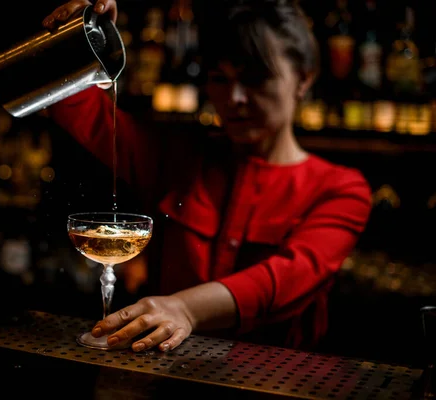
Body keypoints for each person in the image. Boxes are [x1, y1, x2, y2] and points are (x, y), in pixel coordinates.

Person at [41, 0, 372, 353]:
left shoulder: (341, 190)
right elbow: (78, 110)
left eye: (256, 79)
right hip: (167, 373)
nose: (235, 98)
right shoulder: (178, 158)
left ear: (304, 78)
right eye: (220, 80)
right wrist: (78, 37)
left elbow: (282, 280)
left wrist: (184, 307)